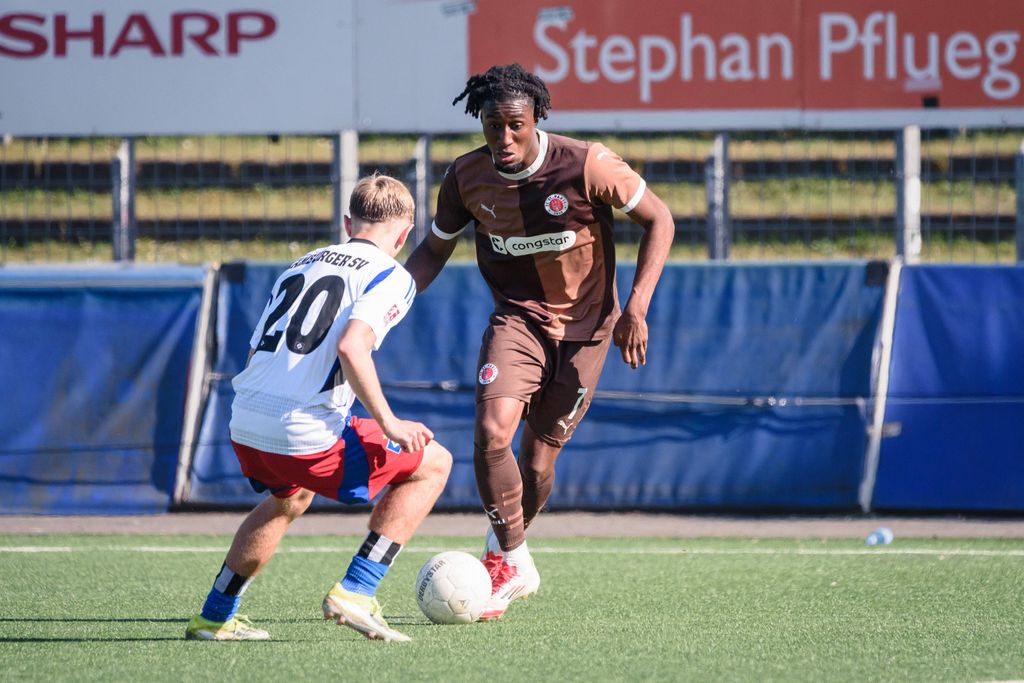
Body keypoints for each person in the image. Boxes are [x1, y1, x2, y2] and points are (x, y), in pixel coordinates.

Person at [404, 64, 674, 620]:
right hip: (518, 321)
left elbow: (660, 219)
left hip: (589, 333)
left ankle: (499, 548)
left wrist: (638, 306)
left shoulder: (587, 163)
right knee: (491, 431)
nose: (504, 138)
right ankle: (515, 558)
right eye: (492, 125)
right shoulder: (464, 178)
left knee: (538, 462)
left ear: (536, 120)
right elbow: (433, 249)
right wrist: (384, 298)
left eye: (515, 126)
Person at [185, 173, 452, 642]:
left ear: (348, 221)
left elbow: (256, 354)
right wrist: (390, 422)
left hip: (244, 422)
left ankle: (214, 615)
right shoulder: (393, 274)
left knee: (290, 496)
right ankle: (358, 590)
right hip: (304, 434)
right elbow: (353, 347)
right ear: (406, 232)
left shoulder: (301, 263)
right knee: (433, 462)